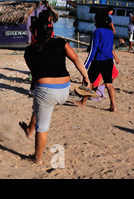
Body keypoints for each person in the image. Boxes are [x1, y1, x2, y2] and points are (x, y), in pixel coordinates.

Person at [19, 11, 91, 164]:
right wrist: (86, 77)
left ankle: (37, 158)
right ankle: (28, 130)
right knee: (38, 107)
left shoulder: (29, 51)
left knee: (42, 127)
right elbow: (77, 60)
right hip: (64, 91)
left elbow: (35, 75)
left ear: (35, 32)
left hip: (46, 91)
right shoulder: (61, 43)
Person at [74, 11, 117, 112]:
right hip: (109, 60)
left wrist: (86, 64)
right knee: (109, 84)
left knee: (89, 81)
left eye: (96, 19)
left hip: (98, 61)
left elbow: (93, 49)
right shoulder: (110, 32)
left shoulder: (97, 31)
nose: (95, 21)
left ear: (98, 21)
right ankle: (113, 106)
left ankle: (83, 102)